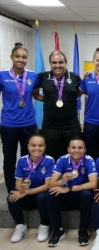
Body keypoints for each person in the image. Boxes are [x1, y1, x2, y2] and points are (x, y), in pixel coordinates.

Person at [0, 42, 40, 193]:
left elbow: (36, 95)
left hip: (28, 123)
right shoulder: (2, 75)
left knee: (29, 158)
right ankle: (11, 188)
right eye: (17, 56)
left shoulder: (33, 76)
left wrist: (54, 99)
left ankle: (27, 186)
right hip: (8, 124)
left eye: (24, 57)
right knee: (9, 158)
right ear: (11, 57)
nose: (21, 60)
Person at [46, 136, 97, 247]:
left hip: (81, 196)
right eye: (73, 147)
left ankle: (83, 229)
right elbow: (50, 183)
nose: (76, 150)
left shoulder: (89, 160)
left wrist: (69, 188)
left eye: (80, 148)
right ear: (68, 149)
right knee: (51, 193)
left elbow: (93, 184)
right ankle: (58, 229)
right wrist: (62, 181)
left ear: (85, 149)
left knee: (87, 194)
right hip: (66, 196)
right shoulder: (62, 159)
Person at [34, 51, 82, 161]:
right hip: (50, 126)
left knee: (74, 155)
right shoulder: (42, 77)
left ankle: (72, 177)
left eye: (60, 62)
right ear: (50, 64)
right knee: (51, 156)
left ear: (66, 62)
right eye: (54, 62)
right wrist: (50, 100)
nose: (57, 65)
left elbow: (79, 93)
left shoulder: (75, 77)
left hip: (71, 125)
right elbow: (35, 95)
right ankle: (53, 178)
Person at [7, 133, 54, 243]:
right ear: (28, 146)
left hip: (41, 194)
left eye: (40, 145)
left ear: (44, 147)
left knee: (43, 197)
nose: (37, 148)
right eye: (33, 145)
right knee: (11, 196)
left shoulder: (49, 160)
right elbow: (17, 183)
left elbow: (48, 185)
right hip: (27, 195)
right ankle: (20, 225)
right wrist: (20, 188)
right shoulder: (22, 160)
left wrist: (27, 192)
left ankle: (44, 225)